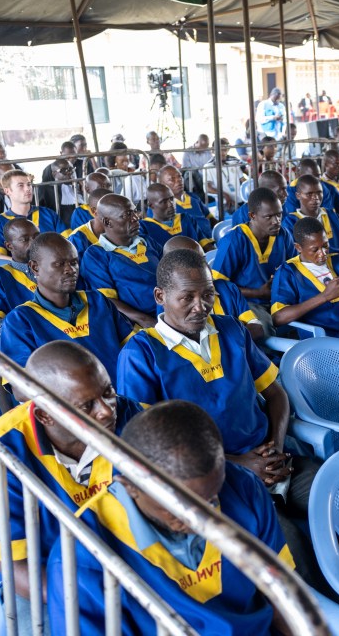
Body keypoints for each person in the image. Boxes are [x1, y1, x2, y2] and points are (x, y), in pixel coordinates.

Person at [117, 250, 321, 544]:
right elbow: (152, 446)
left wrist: (274, 448)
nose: (201, 307)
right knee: (289, 547)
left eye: (208, 295)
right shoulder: (141, 354)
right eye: (187, 298)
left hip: (273, 458)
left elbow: (276, 394)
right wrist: (238, 463)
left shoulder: (231, 329)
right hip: (216, 477)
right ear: (160, 296)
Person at [46, 400, 295, 636]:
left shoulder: (243, 487)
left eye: (211, 499)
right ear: (130, 486)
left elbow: (280, 596)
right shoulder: (82, 556)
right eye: (180, 509)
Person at [0, 341, 141, 627]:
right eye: (87, 406)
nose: (107, 411)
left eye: (107, 391)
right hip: (46, 576)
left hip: (123, 560)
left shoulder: (127, 415)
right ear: (45, 415)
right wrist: (97, 600)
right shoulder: (1, 453)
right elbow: (18, 570)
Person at [1, 233, 134, 383]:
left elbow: (132, 351)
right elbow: (21, 389)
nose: (70, 270)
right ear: (35, 267)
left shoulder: (97, 300)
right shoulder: (20, 320)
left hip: (124, 396)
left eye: (74, 262)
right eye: (59, 264)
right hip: (73, 404)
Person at [211, 188, 294, 335]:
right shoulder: (234, 241)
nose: (276, 221)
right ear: (252, 216)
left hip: (278, 297)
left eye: (279, 214)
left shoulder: (283, 234)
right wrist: (258, 293)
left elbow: (293, 268)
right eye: (269, 217)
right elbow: (217, 286)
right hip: (247, 302)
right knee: (265, 330)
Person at [79, 194, 163, 329]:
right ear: (107, 222)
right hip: (138, 323)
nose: (136, 218)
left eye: (134, 211)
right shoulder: (96, 255)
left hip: (168, 311)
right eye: (127, 215)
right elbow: (107, 300)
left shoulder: (147, 241)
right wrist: (145, 320)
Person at [271, 217, 339, 340]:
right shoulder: (288, 271)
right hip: (322, 338)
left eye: (325, 245)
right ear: (298, 248)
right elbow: (278, 317)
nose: (323, 253)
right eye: (315, 250)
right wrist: (325, 296)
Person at [161, 236, 264, 341]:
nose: (201, 268)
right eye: (189, 264)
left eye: (203, 260)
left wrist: (227, 343)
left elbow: (255, 326)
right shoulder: (169, 301)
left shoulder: (228, 288)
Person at [0, 218, 39, 345]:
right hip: (25, 346)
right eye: (25, 239)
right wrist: (33, 340)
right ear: (9, 246)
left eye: (37, 236)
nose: (34, 243)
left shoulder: (55, 268)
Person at [0, 170, 66, 258]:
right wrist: (27, 266)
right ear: (7, 191)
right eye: (21, 185)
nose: (28, 189)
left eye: (29, 184)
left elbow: (66, 243)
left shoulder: (48, 213)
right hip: (17, 269)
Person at [282, 174, 339, 252]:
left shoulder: (331, 215)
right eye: (309, 194)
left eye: (319, 192)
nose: (316, 197)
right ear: (298, 196)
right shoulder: (290, 222)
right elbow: (292, 253)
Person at [143, 183, 213, 251]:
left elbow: (206, 245)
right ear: (151, 205)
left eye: (171, 199)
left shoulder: (187, 219)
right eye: (164, 202)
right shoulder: (145, 227)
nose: (171, 204)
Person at [159, 165, 215, 240]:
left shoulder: (194, 197)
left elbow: (210, 218)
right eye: (172, 179)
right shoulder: (160, 206)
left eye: (180, 176)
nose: (178, 180)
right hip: (190, 246)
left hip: (210, 240)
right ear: (162, 184)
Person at [203, 139, 248, 213]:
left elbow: (242, 179)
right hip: (225, 202)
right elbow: (207, 188)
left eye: (225, 150)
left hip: (240, 199)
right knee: (241, 213)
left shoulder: (233, 162)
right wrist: (225, 195)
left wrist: (250, 192)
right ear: (213, 151)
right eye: (220, 150)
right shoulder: (208, 166)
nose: (223, 152)